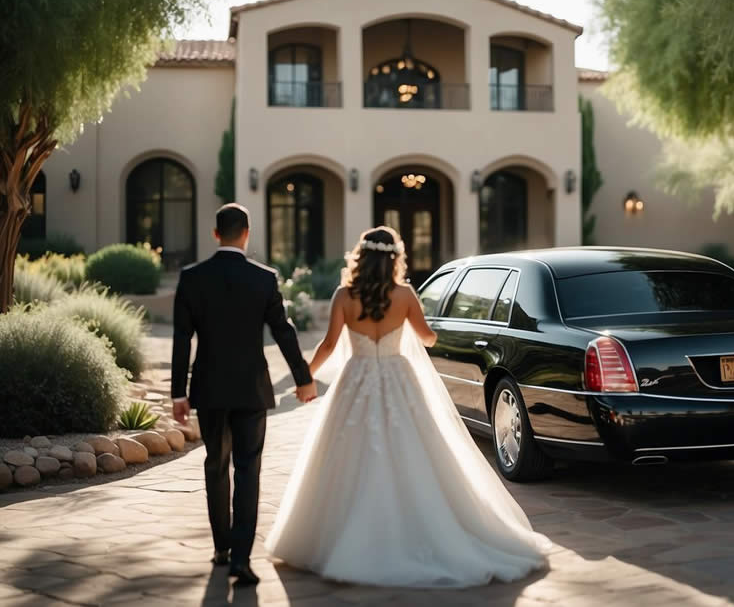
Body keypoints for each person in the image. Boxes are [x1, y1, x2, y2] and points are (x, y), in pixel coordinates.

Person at [266, 226, 550, 587]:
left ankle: (344, 539)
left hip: (356, 380)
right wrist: (417, 330)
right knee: (416, 451)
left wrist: (304, 378)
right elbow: (428, 337)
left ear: (362, 256)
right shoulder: (404, 295)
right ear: (394, 258)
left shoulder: (343, 295)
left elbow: (327, 344)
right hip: (400, 379)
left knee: (349, 455)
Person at [171, 203, 316, 587]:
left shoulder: (192, 278)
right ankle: (240, 558)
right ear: (247, 233)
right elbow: (284, 331)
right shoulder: (264, 279)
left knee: (216, 465)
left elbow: (182, 338)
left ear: (216, 234)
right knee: (248, 469)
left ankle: (220, 548)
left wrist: (177, 394)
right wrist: (303, 378)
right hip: (252, 389)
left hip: (210, 389)